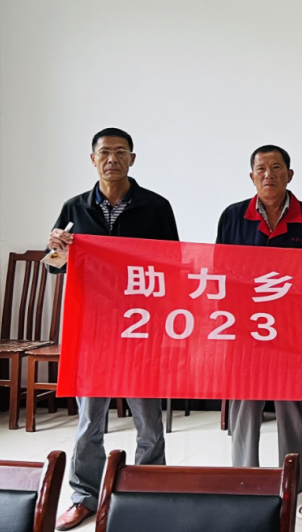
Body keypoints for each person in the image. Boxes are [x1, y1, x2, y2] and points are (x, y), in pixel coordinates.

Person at [48, 128, 178, 531]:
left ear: (132, 159)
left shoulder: (156, 207)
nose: (112, 159)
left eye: (121, 152)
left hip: (141, 327)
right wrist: (58, 249)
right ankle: (84, 497)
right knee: (90, 421)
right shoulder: (75, 207)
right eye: (104, 152)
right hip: (93, 328)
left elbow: (173, 265)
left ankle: (149, 492)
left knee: (148, 419)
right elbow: (56, 266)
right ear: (93, 159)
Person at [217, 145, 302, 520]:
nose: (269, 174)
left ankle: (297, 487)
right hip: (245, 329)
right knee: (244, 409)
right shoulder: (233, 216)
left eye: (276, 167)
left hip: (294, 330)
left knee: (294, 411)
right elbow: (219, 273)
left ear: (289, 175)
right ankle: (244, 484)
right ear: (252, 176)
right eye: (261, 169)